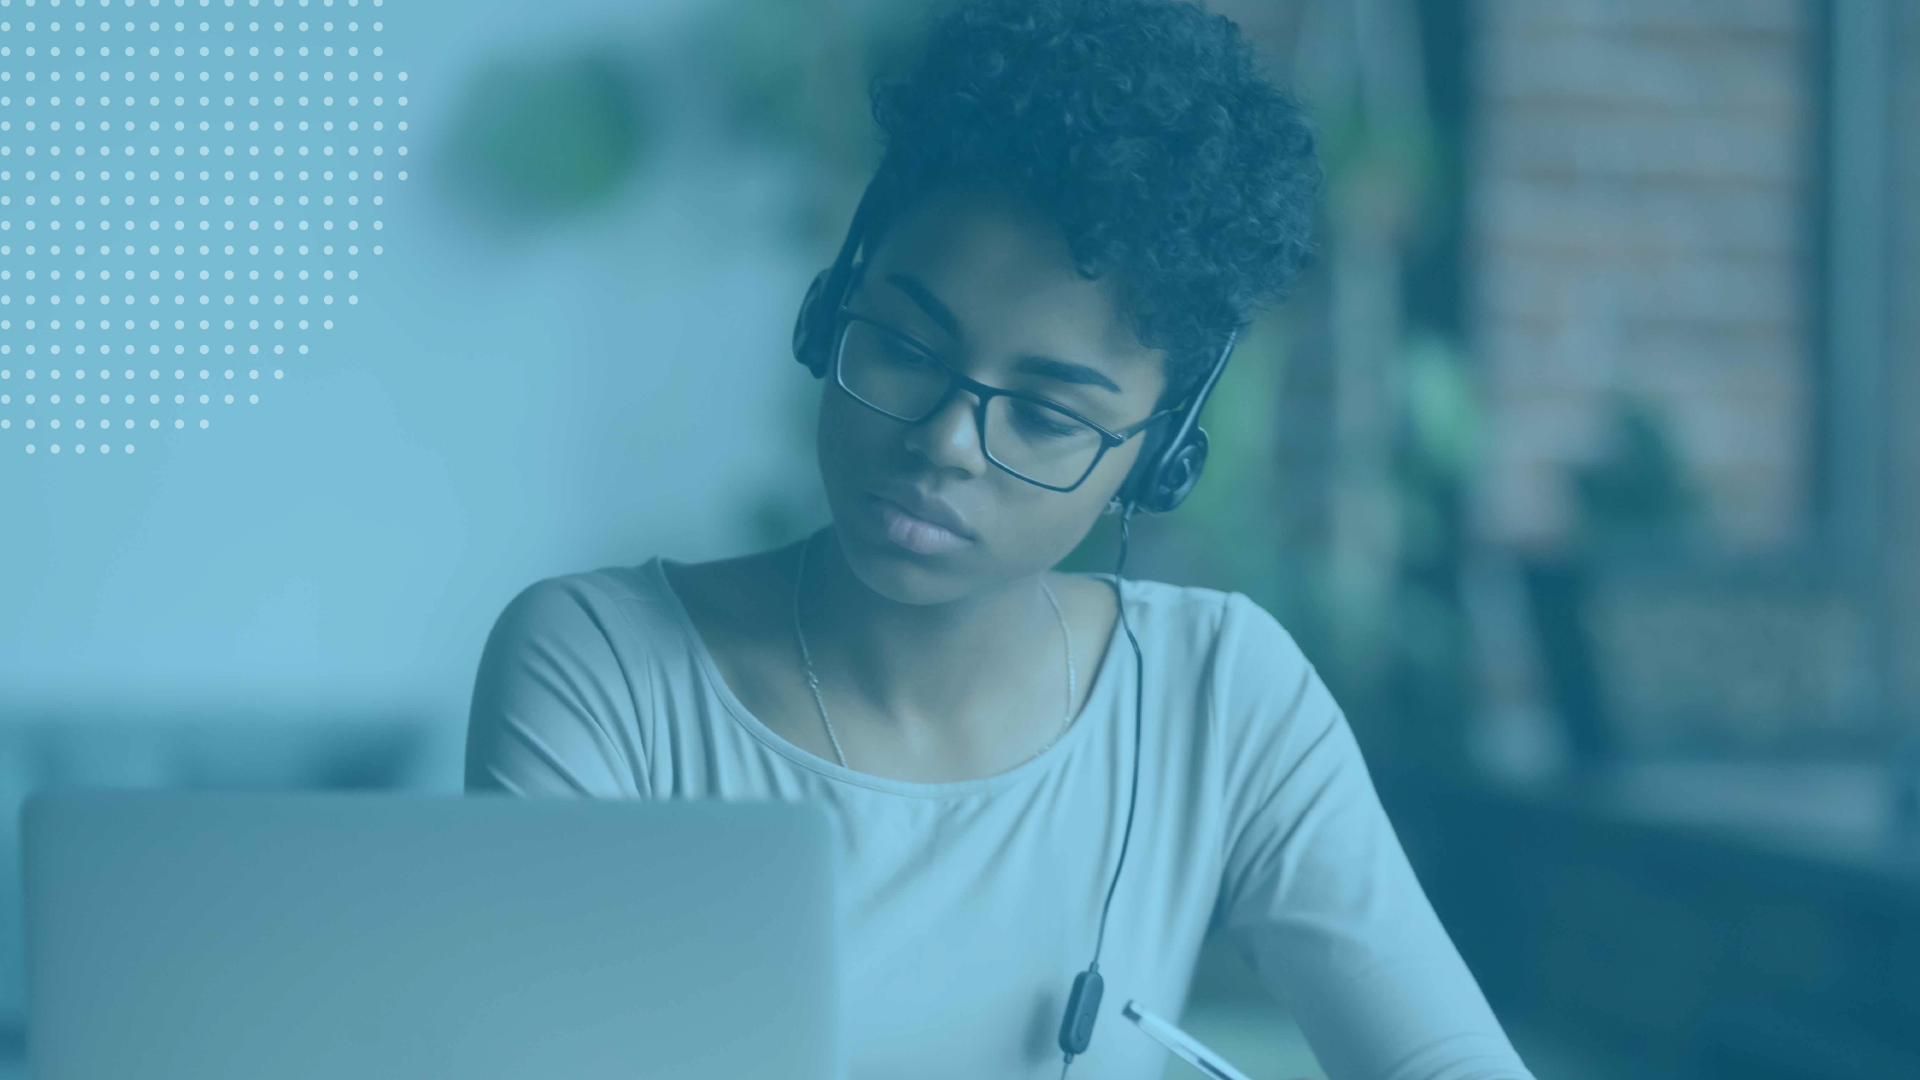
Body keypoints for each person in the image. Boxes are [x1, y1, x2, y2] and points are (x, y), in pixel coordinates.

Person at [465, 2, 1538, 1078]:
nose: (945, 444)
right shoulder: (603, 665)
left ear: (1157, 459)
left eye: (1048, 415)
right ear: (828, 308)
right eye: (899, 346)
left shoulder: (1222, 693)